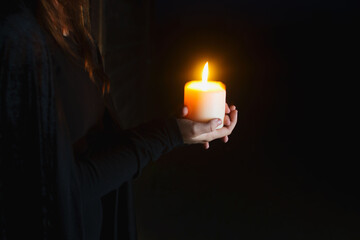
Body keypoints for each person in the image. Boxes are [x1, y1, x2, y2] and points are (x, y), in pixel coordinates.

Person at [0, 0, 237, 239]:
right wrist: (169, 133)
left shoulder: (78, 34)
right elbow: (57, 191)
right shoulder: (18, 37)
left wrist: (181, 127)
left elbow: (103, 152)